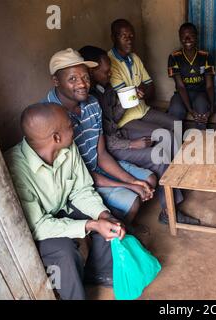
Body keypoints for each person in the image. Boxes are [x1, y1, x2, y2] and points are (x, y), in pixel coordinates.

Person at [5, 103, 126, 300]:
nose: (75, 128)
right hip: (32, 229)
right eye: (70, 125)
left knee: (111, 218)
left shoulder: (68, 149)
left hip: (58, 209)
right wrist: (91, 225)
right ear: (56, 137)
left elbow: (82, 190)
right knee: (64, 251)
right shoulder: (14, 169)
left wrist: (102, 216)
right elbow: (38, 226)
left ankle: (99, 272)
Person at [78, 45, 199, 225]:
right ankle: (169, 211)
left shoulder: (105, 90)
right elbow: (103, 143)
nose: (110, 73)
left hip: (119, 135)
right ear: (92, 71)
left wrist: (126, 103)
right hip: (114, 147)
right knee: (159, 157)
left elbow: (113, 118)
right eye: (105, 71)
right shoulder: (88, 101)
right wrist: (131, 144)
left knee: (167, 138)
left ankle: (175, 186)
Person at [43, 48, 156, 231]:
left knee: (149, 180)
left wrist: (132, 182)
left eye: (86, 77)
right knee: (133, 200)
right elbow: (78, 175)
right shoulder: (49, 118)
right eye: (72, 79)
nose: (82, 84)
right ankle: (121, 233)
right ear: (56, 81)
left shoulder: (92, 104)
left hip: (97, 166)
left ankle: (126, 227)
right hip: (78, 183)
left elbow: (101, 154)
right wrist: (127, 184)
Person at [108, 19, 178, 138]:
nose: (129, 40)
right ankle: (171, 155)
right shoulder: (109, 62)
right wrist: (139, 91)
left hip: (143, 110)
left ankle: (180, 155)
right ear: (113, 38)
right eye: (123, 36)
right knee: (163, 134)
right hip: (126, 119)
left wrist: (141, 92)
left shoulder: (134, 58)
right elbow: (128, 98)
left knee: (177, 124)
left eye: (131, 36)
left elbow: (150, 86)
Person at [167, 22, 215, 129]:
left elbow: (209, 86)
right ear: (180, 38)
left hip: (200, 93)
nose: (187, 39)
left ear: (196, 37)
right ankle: (176, 142)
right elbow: (180, 86)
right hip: (181, 94)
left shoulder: (206, 56)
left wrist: (211, 107)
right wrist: (190, 110)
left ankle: (199, 141)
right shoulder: (174, 57)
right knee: (176, 109)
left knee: (202, 109)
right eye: (184, 36)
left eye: (191, 36)